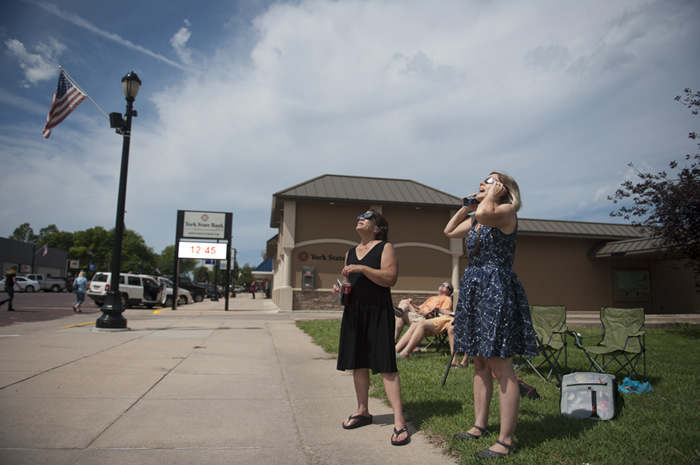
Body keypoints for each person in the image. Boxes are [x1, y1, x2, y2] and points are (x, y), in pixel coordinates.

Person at [444, 172, 537, 459]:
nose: (482, 183)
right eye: (483, 180)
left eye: (490, 180)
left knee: (500, 363)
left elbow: (485, 217)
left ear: (503, 189)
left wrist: (492, 198)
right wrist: (466, 206)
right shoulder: (477, 216)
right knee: (479, 361)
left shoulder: (505, 211)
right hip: (474, 286)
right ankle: (479, 425)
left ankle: (506, 440)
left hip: (496, 287)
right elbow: (449, 231)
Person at [333, 209, 409, 446]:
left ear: (378, 228)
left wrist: (363, 269)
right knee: (358, 362)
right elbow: (350, 281)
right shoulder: (350, 252)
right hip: (354, 312)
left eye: (368, 217)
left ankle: (399, 421)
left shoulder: (385, 247)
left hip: (378, 311)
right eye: (359, 216)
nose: (361, 218)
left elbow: (390, 279)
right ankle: (363, 411)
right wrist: (340, 289)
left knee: (386, 365)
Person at [394, 285, 455, 359]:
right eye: (441, 284)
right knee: (404, 302)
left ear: (449, 291)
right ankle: (394, 345)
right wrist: (412, 304)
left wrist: (425, 314)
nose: (442, 286)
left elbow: (441, 315)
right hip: (419, 314)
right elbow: (420, 307)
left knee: (404, 316)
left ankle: (397, 348)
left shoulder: (446, 299)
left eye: (445, 286)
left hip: (426, 318)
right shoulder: (432, 298)